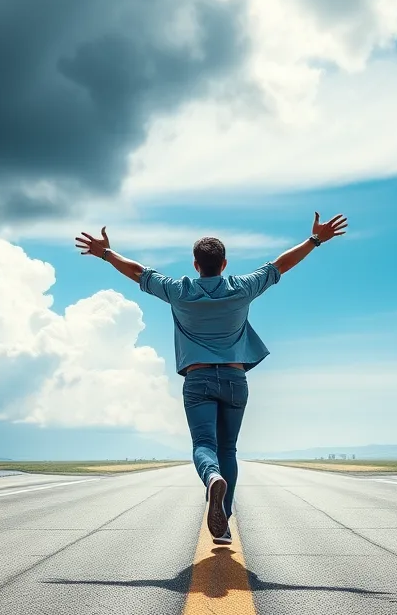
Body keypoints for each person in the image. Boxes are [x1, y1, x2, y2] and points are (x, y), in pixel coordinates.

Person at [75, 212, 348, 542]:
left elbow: (137, 273)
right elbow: (281, 265)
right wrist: (315, 240)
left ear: (195, 264)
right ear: (224, 263)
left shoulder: (179, 290)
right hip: (235, 380)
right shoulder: (242, 287)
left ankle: (212, 478)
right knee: (228, 449)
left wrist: (105, 253)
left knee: (204, 445)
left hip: (198, 379)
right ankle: (224, 521)